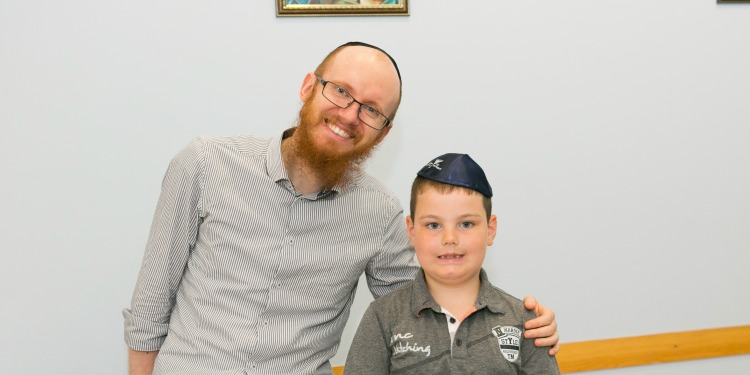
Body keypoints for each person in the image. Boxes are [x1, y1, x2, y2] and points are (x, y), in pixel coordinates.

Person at [123, 42, 559, 375]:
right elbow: (149, 307)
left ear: (383, 134)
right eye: (341, 92)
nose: (350, 115)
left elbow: (431, 300)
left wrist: (523, 322)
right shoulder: (204, 164)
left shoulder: (381, 215)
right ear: (308, 87)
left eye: (372, 110)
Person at [344, 153, 560, 374]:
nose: (449, 238)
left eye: (466, 224)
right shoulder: (383, 316)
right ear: (411, 231)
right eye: (433, 225)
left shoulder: (527, 322)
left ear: (490, 229)